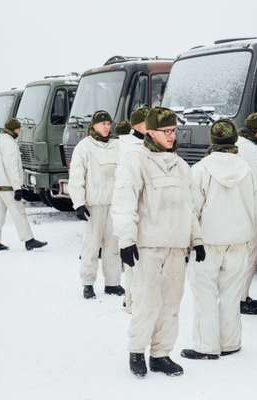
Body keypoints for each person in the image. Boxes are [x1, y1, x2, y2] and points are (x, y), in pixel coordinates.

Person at [111, 106, 204, 378]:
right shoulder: (135, 161)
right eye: (166, 131)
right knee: (147, 301)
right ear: (150, 132)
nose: (172, 136)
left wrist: (196, 238)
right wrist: (126, 240)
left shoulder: (181, 166)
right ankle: (137, 351)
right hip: (147, 247)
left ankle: (161, 354)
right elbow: (124, 202)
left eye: (174, 130)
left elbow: (190, 207)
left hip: (176, 245)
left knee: (172, 302)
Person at [181, 119, 257, 360]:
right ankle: (230, 341)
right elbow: (255, 207)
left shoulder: (201, 170)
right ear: (235, 140)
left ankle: (206, 345)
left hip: (207, 242)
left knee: (205, 294)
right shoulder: (247, 169)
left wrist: (190, 241)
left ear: (212, 141)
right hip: (239, 241)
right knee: (231, 294)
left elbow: (192, 209)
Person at [68, 110, 123, 299]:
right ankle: (88, 282)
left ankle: (113, 283)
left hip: (114, 205)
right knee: (91, 246)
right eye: (103, 124)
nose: (107, 127)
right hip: (94, 205)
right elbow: (76, 177)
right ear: (93, 126)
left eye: (109, 123)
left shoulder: (117, 146)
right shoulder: (84, 147)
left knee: (113, 246)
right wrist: (79, 203)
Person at [0, 118, 47, 252]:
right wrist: (17, 187)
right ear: (14, 129)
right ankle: (29, 240)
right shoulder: (9, 144)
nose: (20, 131)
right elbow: (11, 166)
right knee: (19, 213)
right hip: (7, 185)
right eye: (19, 129)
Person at [236, 111, 257, 315]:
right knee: (249, 256)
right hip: (253, 209)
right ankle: (240, 298)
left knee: (239, 257)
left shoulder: (236, 145)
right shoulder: (253, 152)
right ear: (255, 130)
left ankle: (240, 294)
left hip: (237, 208)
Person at [118, 106, 149, 313]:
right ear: (138, 125)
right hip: (132, 209)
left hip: (144, 212)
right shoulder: (131, 148)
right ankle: (131, 300)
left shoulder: (142, 145)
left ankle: (132, 298)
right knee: (133, 260)